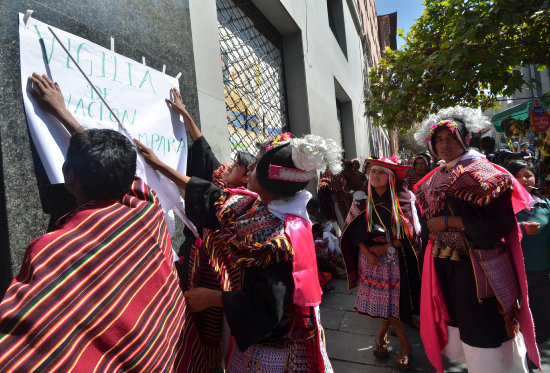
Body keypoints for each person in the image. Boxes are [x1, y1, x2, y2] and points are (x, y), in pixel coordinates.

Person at [0, 73, 206, 372]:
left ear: (69, 177)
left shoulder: (51, 251)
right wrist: (65, 115)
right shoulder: (148, 211)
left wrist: (60, 113)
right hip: (173, 359)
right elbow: (120, 170)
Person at [136, 132, 340, 371]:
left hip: (273, 352)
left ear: (271, 177)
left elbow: (268, 307)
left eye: (256, 165)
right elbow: (213, 198)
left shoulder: (280, 238)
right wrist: (160, 166)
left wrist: (213, 297)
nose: (249, 169)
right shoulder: (262, 206)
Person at [413, 106, 540, 373]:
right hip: (449, 269)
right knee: (464, 332)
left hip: (481, 268)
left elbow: (499, 224)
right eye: (438, 140)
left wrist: (449, 222)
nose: (444, 145)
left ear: (465, 138)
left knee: (486, 335)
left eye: (450, 138)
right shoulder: (436, 176)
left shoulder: (484, 173)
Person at [340, 157, 421, 371]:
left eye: (381, 172)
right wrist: (367, 252)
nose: (375, 176)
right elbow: (353, 230)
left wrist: (387, 247)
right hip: (370, 260)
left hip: (395, 260)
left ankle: (401, 345)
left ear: (391, 177)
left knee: (391, 302)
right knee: (386, 302)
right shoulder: (361, 199)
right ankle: (387, 339)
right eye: (372, 172)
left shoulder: (403, 199)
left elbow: (410, 232)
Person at [505, 160, 550, 346]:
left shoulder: (545, 204)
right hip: (514, 274)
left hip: (543, 273)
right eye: (517, 176)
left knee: (542, 320)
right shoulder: (503, 204)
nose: (523, 180)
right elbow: (494, 230)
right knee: (520, 323)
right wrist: (521, 228)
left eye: (528, 175)